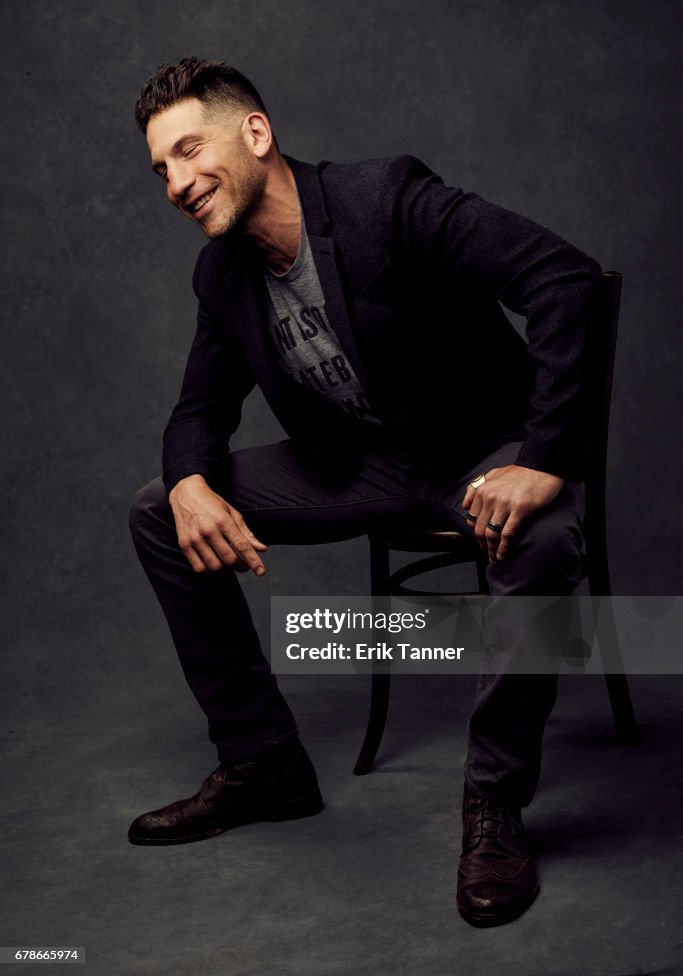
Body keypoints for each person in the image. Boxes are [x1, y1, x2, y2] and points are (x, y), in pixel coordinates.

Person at [128, 56, 599, 928]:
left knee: (538, 540)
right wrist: (192, 478)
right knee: (162, 510)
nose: (177, 184)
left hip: (476, 456)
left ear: (255, 134)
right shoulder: (222, 275)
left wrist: (544, 456)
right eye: (161, 169)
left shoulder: (384, 198)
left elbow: (563, 280)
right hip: (360, 467)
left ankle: (494, 808)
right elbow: (197, 408)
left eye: (189, 151)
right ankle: (264, 766)